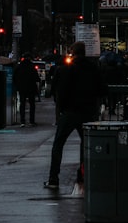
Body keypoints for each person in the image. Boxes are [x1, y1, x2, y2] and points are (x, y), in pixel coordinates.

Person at [44, 41, 108, 189]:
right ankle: (83, 173)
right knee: (86, 144)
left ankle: (53, 178)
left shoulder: (65, 69)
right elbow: (102, 89)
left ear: (73, 52)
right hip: (87, 111)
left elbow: (56, 90)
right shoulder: (93, 68)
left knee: (58, 144)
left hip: (69, 111)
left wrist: (62, 107)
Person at [14, 55, 40, 127]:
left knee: (22, 104)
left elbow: (14, 77)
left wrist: (17, 85)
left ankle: (22, 121)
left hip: (22, 88)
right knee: (32, 104)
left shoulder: (19, 67)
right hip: (31, 88)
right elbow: (37, 78)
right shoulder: (32, 67)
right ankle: (31, 121)